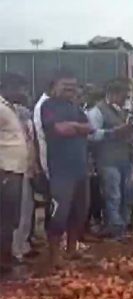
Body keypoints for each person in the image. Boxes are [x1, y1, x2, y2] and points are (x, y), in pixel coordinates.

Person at [39, 70, 94, 267]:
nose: (70, 90)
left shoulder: (74, 106)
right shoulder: (48, 106)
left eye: (73, 87)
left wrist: (74, 127)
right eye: (65, 86)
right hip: (60, 170)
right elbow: (59, 129)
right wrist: (77, 127)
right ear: (54, 87)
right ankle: (54, 256)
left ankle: (71, 249)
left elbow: (90, 127)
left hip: (80, 167)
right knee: (59, 214)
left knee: (79, 212)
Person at [87, 79, 133, 239]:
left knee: (124, 194)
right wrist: (113, 133)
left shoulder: (120, 112)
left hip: (123, 159)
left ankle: (121, 227)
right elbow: (91, 134)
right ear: (113, 94)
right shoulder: (97, 112)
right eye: (123, 96)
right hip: (107, 160)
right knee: (113, 195)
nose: (125, 100)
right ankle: (114, 229)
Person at [0, 73, 32, 278]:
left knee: (11, 217)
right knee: (5, 217)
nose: (23, 92)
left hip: (16, 168)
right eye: (19, 88)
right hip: (6, 169)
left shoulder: (11, 108)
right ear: (7, 87)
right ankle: (2, 261)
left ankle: (6, 256)